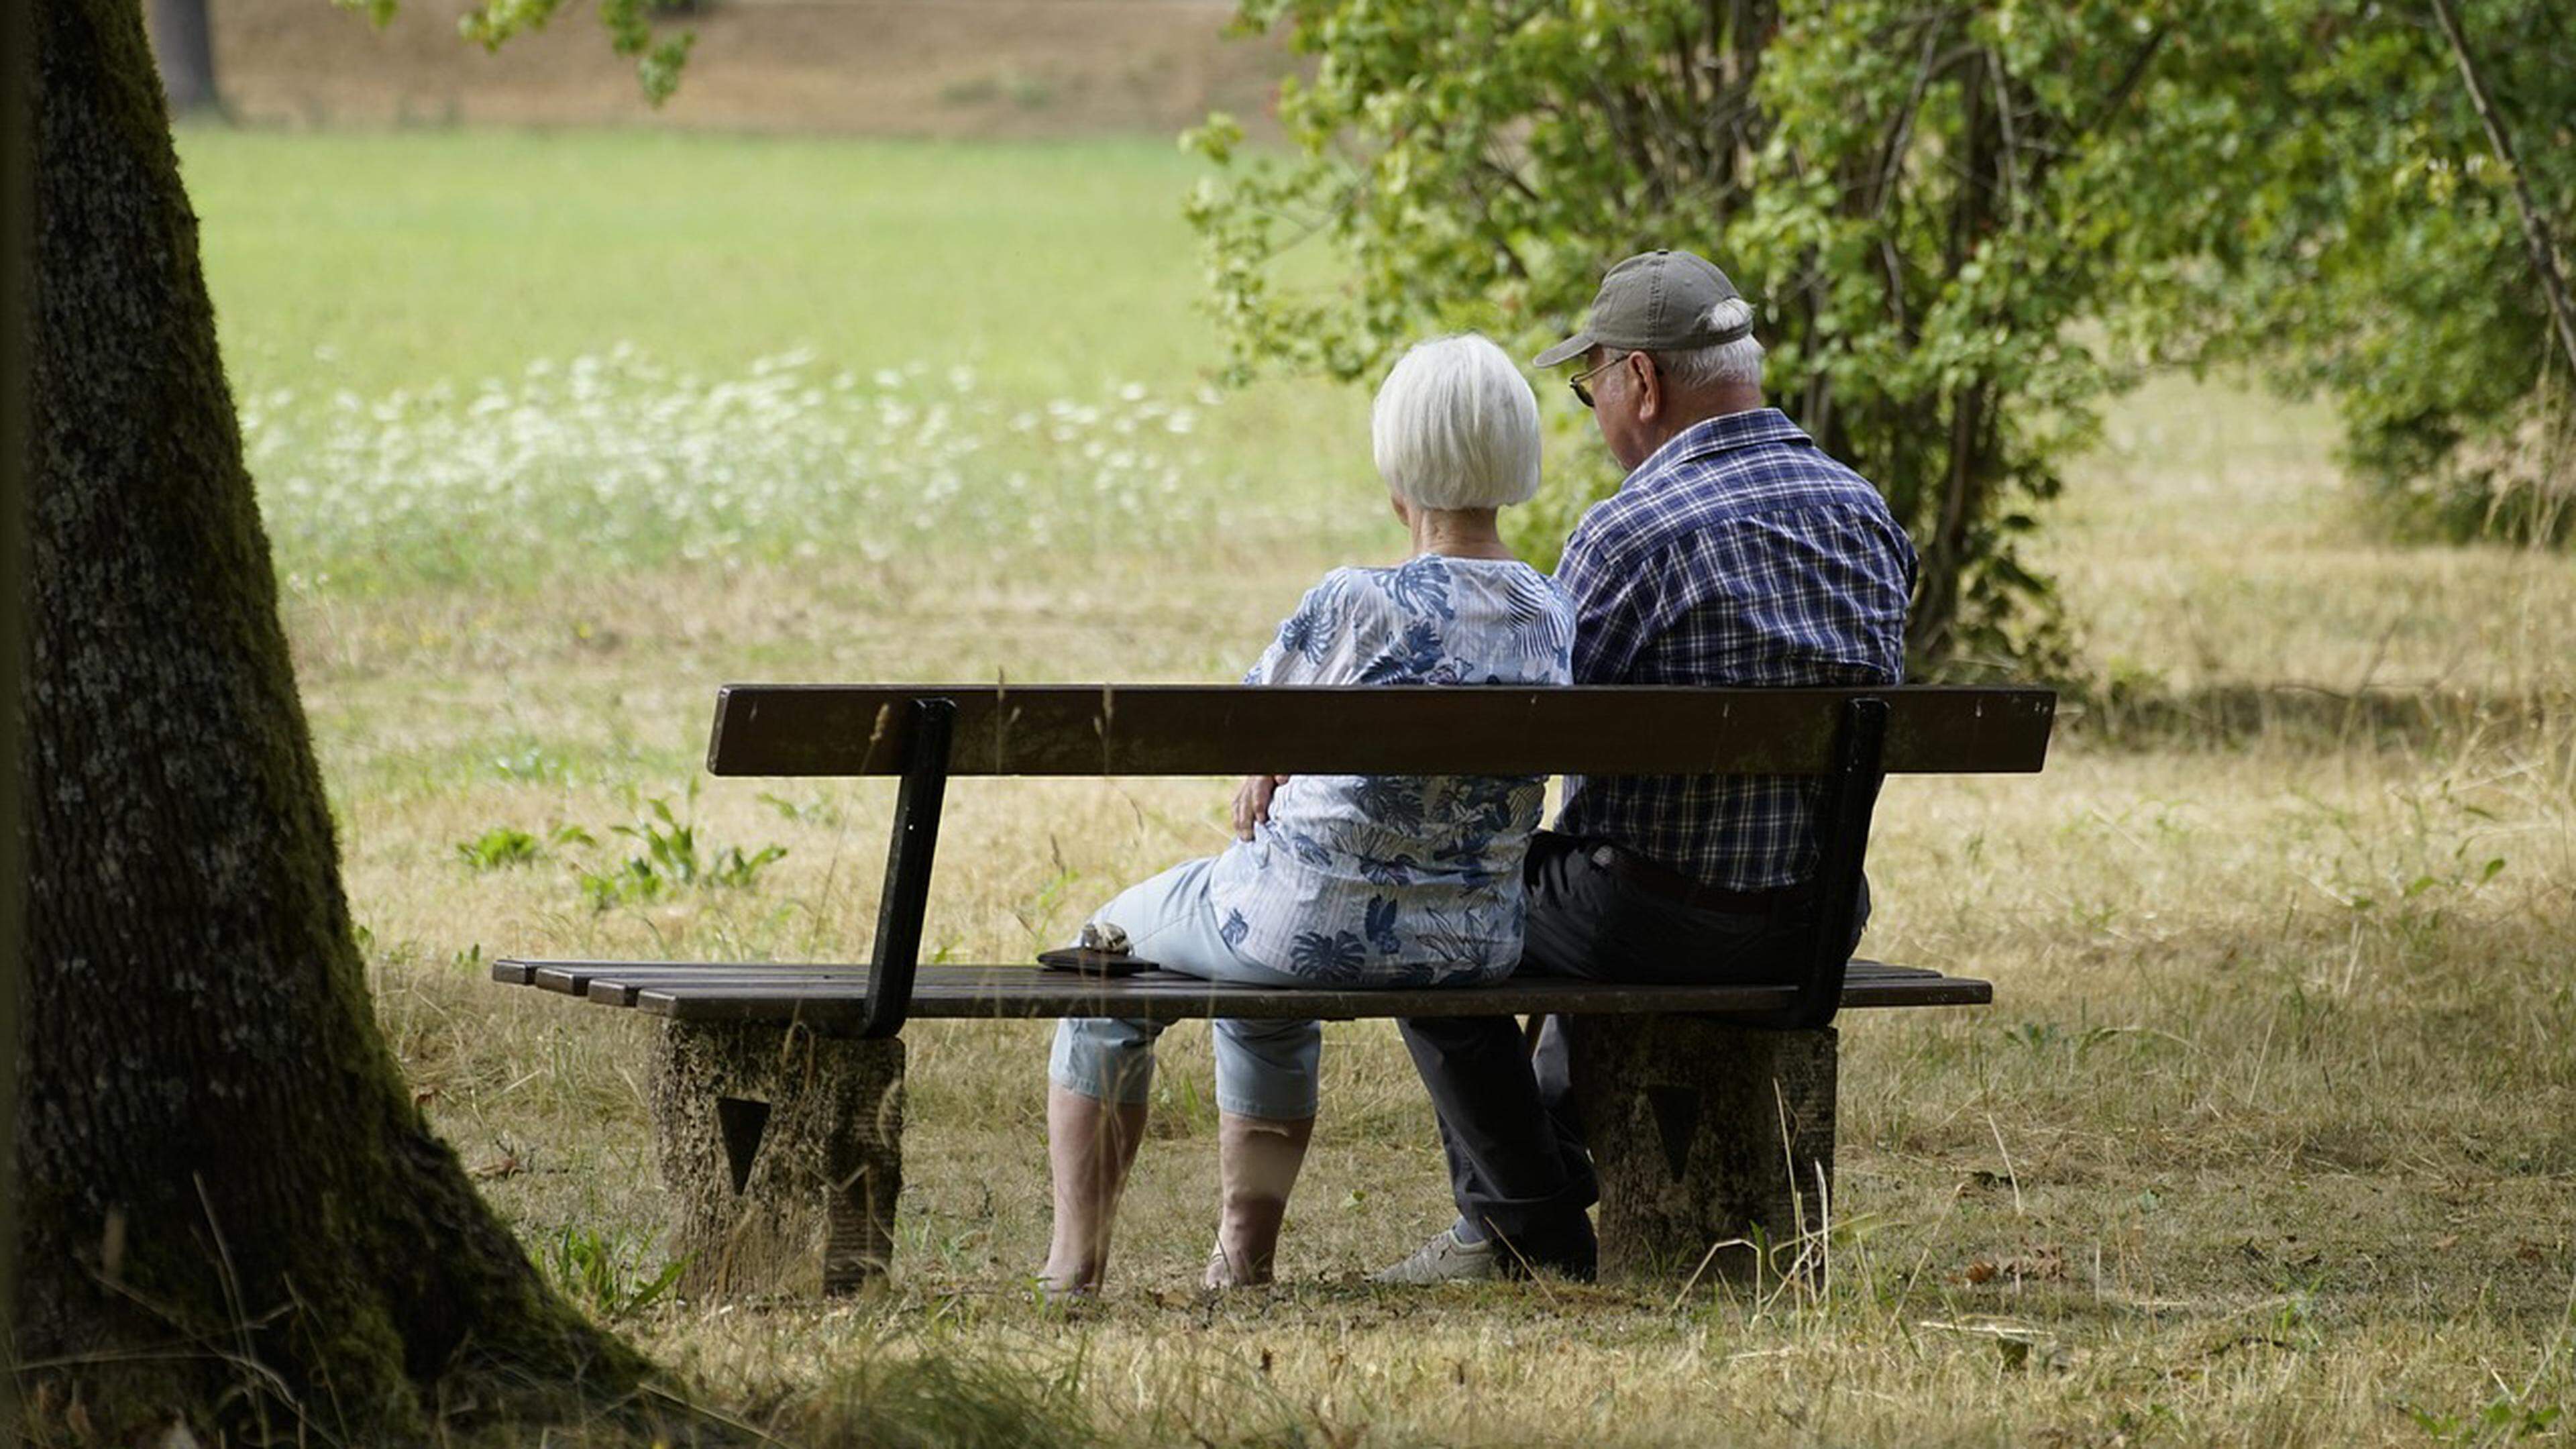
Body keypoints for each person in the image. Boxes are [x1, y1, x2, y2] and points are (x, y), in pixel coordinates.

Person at [1373, 250, 1919, 1285]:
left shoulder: (1629, 534)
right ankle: (1543, 1178)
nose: (1595, 414)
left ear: (1642, 382)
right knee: (1599, 873)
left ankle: (1525, 1226)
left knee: (1428, 906)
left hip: (1655, 922)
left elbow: (1535, 739)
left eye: (1591, 390)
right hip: (1814, 921)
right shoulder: (1867, 516)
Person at [1040, 333, 1577, 1295]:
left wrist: (1268, 763)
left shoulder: (1354, 603)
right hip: (1472, 943)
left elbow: (1242, 728)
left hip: (1303, 926)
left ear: (1397, 466)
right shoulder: (1551, 611)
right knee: (1256, 977)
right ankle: (1241, 1262)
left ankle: (1074, 1266)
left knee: (1106, 950)